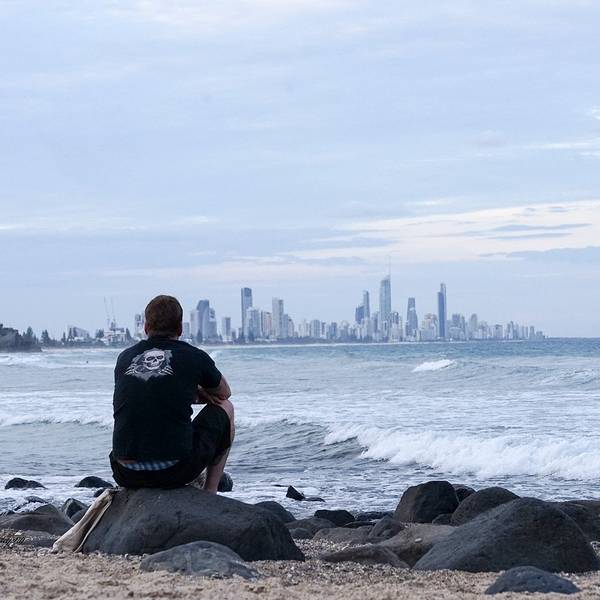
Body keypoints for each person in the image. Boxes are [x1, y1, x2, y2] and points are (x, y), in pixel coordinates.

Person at [109, 295, 234, 492]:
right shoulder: (193, 356)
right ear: (180, 328)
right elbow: (224, 393)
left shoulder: (125, 357)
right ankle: (210, 493)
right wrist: (197, 391)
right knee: (226, 407)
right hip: (174, 471)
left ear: (146, 327)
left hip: (124, 471)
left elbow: (148, 393)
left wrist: (188, 391)